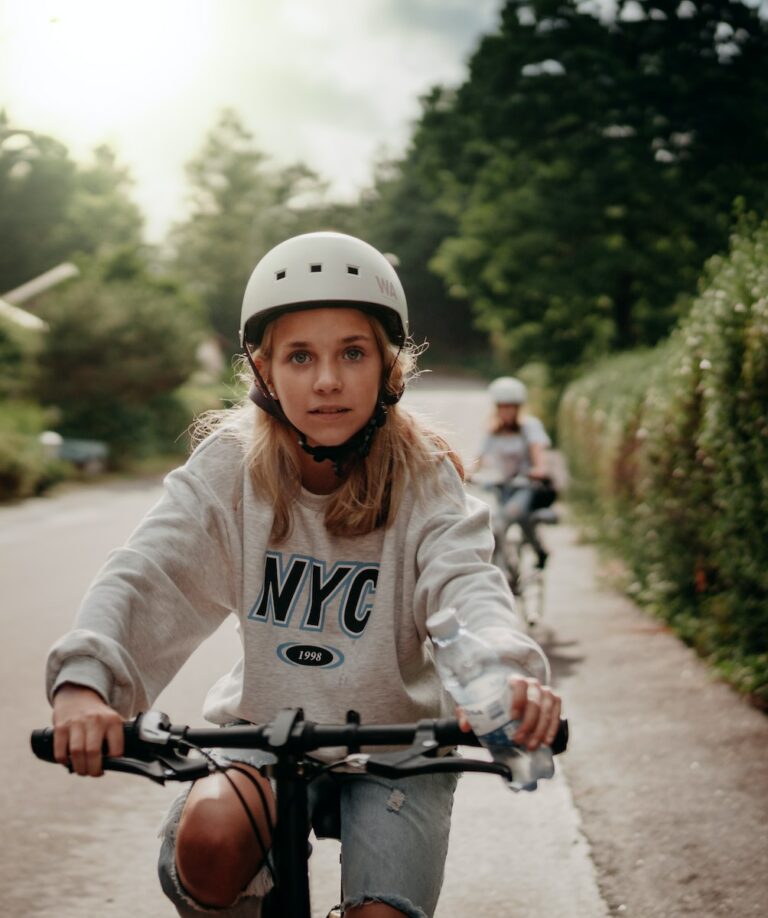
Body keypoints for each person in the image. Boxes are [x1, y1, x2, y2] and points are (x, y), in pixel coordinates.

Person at [46, 232, 562, 918]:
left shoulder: (424, 477)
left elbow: (468, 586)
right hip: (264, 730)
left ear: (389, 368)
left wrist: (503, 675)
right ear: (264, 371)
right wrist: (87, 685)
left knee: (381, 915)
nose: (327, 379)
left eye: (352, 352)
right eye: (300, 356)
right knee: (210, 838)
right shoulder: (231, 469)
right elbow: (150, 572)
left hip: (401, 744)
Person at [475, 376, 553, 580]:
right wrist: (466, 474)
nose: (507, 411)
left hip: (527, 485)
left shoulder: (530, 427)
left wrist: (539, 469)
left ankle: (540, 551)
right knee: (496, 524)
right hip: (504, 486)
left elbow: (539, 455)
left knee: (512, 517)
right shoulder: (493, 432)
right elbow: (479, 459)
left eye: (511, 407)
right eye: (503, 406)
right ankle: (502, 568)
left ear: (518, 408)